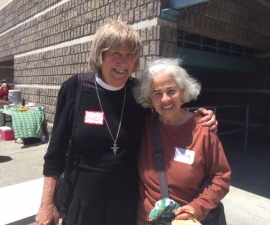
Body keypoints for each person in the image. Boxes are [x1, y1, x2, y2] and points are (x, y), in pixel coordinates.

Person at [35, 20, 218, 225]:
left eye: (130, 54)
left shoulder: (138, 93)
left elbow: (167, 110)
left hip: (126, 205)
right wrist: (46, 204)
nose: (123, 62)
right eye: (116, 53)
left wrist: (196, 117)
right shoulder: (75, 88)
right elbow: (55, 152)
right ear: (100, 55)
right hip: (81, 202)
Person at [133, 58, 231, 225]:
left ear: (183, 90)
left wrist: (197, 207)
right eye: (157, 93)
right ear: (149, 98)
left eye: (171, 90)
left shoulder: (203, 130)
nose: (165, 99)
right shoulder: (145, 124)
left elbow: (220, 178)